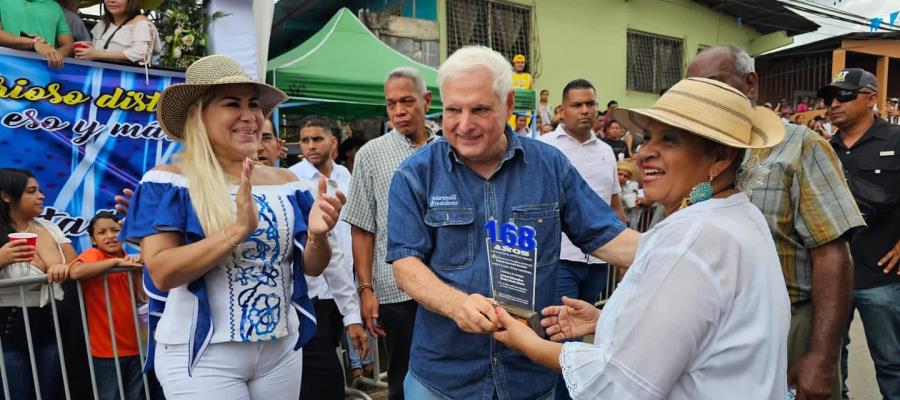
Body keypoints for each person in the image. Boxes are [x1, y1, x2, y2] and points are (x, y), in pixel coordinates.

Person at [494, 77, 791, 399]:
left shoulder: (693, 237)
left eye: (670, 140)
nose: (645, 153)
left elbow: (619, 384)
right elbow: (702, 332)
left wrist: (527, 342)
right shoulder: (737, 215)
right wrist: (607, 320)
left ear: (720, 157)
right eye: (648, 137)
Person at [386, 45, 637, 400]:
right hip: (444, 377)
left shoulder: (549, 166)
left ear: (507, 105)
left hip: (527, 376)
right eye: (453, 110)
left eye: (480, 109)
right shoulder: (416, 174)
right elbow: (405, 263)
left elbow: (606, 236)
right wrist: (457, 305)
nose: (464, 124)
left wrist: (681, 246)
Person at [122, 55, 344, 399]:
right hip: (202, 354)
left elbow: (312, 267)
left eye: (253, 104)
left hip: (281, 349)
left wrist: (317, 235)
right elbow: (163, 272)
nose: (249, 115)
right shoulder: (169, 182)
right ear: (199, 114)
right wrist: (235, 231)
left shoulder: (287, 182)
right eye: (231, 103)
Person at [689, 46, 864, 400]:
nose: (707, 97)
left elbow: (833, 256)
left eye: (715, 84)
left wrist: (820, 357)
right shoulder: (696, 155)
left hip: (788, 326)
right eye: (695, 90)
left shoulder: (801, 147)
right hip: (712, 331)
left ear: (750, 84)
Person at [341, 66, 436, 400]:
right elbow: (362, 227)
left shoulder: (447, 149)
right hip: (395, 289)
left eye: (407, 101)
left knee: (449, 371)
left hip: (448, 284)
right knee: (403, 376)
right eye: (391, 103)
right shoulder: (371, 155)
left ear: (426, 100)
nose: (398, 110)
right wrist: (365, 290)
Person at [540, 78, 625, 400]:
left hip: (598, 261)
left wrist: (624, 258)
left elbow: (614, 206)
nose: (585, 111)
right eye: (577, 105)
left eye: (591, 104)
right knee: (563, 341)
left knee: (591, 337)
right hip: (559, 259)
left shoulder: (605, 151)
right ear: (562, 110)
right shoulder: (546, 146)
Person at [819, 68, 900, 400]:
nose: (833, 103)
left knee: (892, 363)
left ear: (870, 99)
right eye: (829, 98)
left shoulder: (897, 140)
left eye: (844, 95)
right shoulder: (823, 149)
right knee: (831, 361)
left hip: (882, 275)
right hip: (831, 274)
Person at [288, 115, 367, 400]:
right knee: (322, 376)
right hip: (310, 295)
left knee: (332, 359)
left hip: (343, 287)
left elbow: (345, 239)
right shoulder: (293, 180)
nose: (310, 146)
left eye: (317, 139)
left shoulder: (346, 177)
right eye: (305, 140)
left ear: (332, 142)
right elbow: (320, 241)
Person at [0, 168, 74, 400]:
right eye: (32, 191)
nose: (41, 196)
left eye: (40, 191)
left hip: (51, 327)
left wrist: (62, 268)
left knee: (50, 393)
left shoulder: (50, 228)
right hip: (9, 332)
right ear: (6, 196)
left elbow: (75, 264)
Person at [68, 211, 145, 400]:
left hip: (137, 346)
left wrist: (135, 271)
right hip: (106, 350)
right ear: (93, 240)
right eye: (102, 232)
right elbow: (76, 271)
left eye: (115, 230)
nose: (110, 236)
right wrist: (116, 262)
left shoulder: (129, 258)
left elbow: (142, 298)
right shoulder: (93, 254)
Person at [75, 0, 160, 66]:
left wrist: (97, 54)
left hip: (127, 84)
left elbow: (141, 54)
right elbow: (92, 54)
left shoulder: (141, 22)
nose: (111, 1)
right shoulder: (101, 25)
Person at [0, 0, 73, 68]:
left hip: (45, 70)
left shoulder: (54, 6)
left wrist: (53, 55)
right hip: (8, 67)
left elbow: (68, 45)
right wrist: (34, 43)